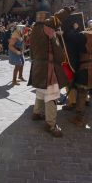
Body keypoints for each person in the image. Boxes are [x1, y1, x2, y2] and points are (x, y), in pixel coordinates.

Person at [28, 8, 71, 137]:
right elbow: (59, 54)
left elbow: (31, 52)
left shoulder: (34, 30)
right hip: (48, 68)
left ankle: (36, 113)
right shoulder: (48, 32)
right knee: (52, 95)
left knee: (41, 91)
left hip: (37, 66)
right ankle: (50, 124)